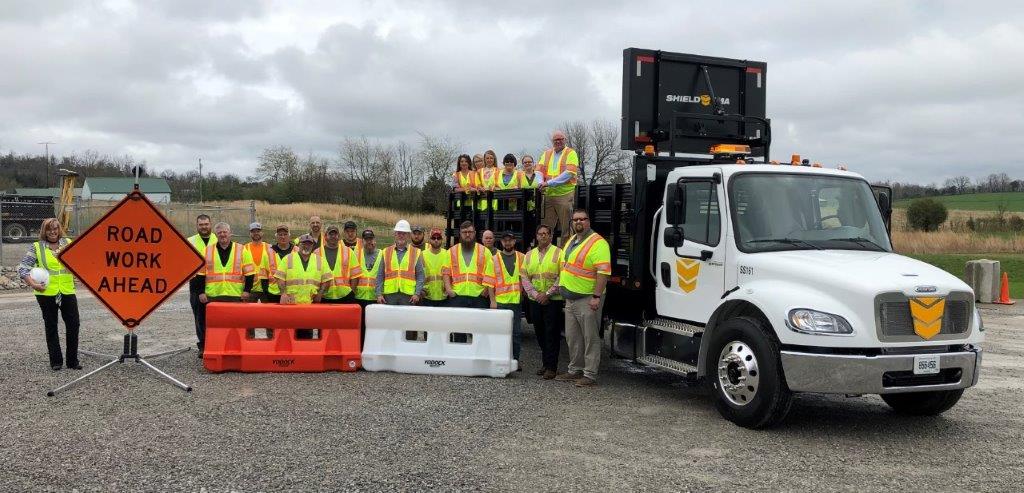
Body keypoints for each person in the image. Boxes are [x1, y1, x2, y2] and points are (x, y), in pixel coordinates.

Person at [554, 209, 611, 387]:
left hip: (588, 299)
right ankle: (574, 370)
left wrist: (596, 296)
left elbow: (603, 273)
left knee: (590, 338)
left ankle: (590, 374)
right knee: (573, 337)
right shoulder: (572, 239)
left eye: (583, 219)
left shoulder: (598, 243)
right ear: (572, 222)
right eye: (576, 219)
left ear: (588, 221)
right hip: (570, 300)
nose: (579, 222)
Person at [19, 218, 80, 371]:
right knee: (51, 325)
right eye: (49, 229)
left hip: (67, 290)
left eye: (55, 228)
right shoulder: (36, 247)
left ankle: (72, 361)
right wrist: (33, 284)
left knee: (73, 325)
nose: (52, 232)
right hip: (45, 292)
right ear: (44, 231)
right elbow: (23, 268)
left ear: (60, 229)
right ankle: (56, 361)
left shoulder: (68, 243)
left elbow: (80, 262)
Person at [198, 222, 257, 355]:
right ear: (216, 235)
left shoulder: (242, 249)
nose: (223, 235)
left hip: (235, 295)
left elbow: (250, 273)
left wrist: (247, 290)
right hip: (213, 295)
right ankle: (214, 349)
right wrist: (201, 292)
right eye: (220, 233)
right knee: (214, 326)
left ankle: (237, 349)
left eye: (225, 232)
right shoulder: (207, 251)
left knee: (236, 325)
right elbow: (200, 274)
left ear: (230, 233)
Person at [522, 224, 563, 379]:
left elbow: (562, 276)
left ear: (551, 236)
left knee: (551, 333)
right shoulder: (529, 255)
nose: (543, 236)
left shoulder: (559, 253)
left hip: (553, 300)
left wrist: (547, 293)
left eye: (546, 233)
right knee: (539, 332)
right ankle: (546, 363)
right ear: (536, 236)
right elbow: (524, 276)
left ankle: (552, 367)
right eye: (540, 234)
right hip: (535, 299)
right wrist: (534, 293)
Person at [486, 231, 525, 365]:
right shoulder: (494, 259)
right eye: (505, 240)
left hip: (515, 302)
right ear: (501, 242)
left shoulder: (522, 257)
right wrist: (492, 301)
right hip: (500, 303)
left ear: (514, 242)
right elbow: (490, 283)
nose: (508, 243)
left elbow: (525, 279)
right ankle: (501, 360)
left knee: (516, 334)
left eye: (510, 240)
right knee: (500, 334)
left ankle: (515, 360)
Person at [538, 130, 579, 245]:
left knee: (567, 228)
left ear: (565, 140)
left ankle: (565, 254)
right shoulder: (546, 154)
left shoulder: (571, 153)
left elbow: (569, 173)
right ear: (552, 141)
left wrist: (548, 183)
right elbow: (538, 171)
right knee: (545, 228)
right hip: (549, 195)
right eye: (556, 140)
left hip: (564, 195)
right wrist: (540, 182)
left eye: (561, 139)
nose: (558, 141)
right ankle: (546, 252)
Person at [376, 220, 424, 305]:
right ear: (395, 234)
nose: (401, 236)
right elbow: (380, 275)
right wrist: (379, 294)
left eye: (404, 233)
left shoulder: (416, 252)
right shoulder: (386, 251)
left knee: (407, 318)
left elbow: (420, 276)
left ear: (408, 235)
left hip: (409, 296)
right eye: (399, 233)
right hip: (389, 296)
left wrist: (417, 293)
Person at [447, 221, 493, 309]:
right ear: (460, 234)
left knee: (478, 323)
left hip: (479, 296)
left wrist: (486, 291)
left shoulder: (485, 251)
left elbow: (490, 274)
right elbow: (446, 272)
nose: (467, 235)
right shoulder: (451, 251)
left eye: (470, 232)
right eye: (464, 232)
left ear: (474, 233)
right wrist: (449, 290)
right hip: (457, 296)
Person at [187, 214, 213, 356]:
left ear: (210, 224)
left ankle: (214, 344)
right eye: (201, 224)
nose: (204, 227)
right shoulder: (190, 241)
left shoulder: (218, 239)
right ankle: (202, 345)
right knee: (199, 317)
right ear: (197, 226)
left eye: (206, 224)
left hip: (215, 284)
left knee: (215, 318)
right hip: (196, 284)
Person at [321, 225, 362, 304]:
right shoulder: (317, 252)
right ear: (325, 237)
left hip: (345, 296)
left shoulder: (348, 251)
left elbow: (355, 275)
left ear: (339, 237)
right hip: (324, 296)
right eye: (330, 234)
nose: (333, 236)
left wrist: (352, 292)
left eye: (335, 234)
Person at [353, 229, 381, 343]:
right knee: (360, 329)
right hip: (359, 298)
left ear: (375, 240)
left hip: (375, 299)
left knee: (374, 329)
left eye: (371, 239)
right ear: (362, 241)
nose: (369, 242)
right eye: (366, 239)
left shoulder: (382, 254)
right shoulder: (356, 254)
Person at [421, 227, 452, 307]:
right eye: (433, 238)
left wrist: (448, 289)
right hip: (427, 297)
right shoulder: (422, 255)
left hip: (444, 297)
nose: (436, 240)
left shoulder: (447, 254)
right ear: (429, 239)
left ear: (442, 239)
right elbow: (419, 275)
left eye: (438, 238)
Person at [264, 224, 295, 304]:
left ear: (289, 236)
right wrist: (265, 293)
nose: (283, 237)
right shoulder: (268, 252)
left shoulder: (297, 251)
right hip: (273, 293)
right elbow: (263, 275)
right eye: (280, 235)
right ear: (276, 237)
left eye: (285, 234)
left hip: (292, 293)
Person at [245, 222, 272, 302]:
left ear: (262, 232)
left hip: (266, 288)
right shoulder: (244, 248)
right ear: (250, 233)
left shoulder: (270, 247)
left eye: (258, 231)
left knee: (267, 313)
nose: (256, 233)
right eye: (253, 231)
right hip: (250, 288)